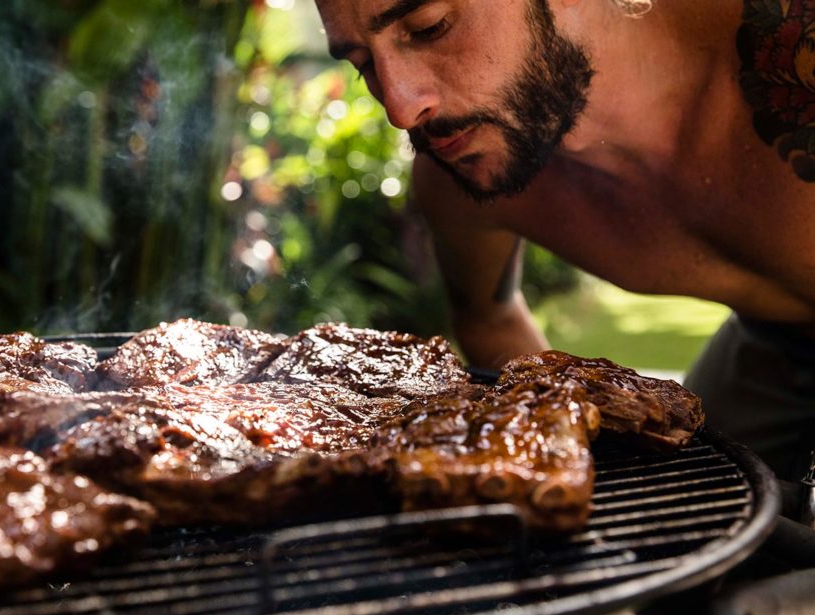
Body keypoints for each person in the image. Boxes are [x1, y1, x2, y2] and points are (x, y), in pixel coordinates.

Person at [313, 0, 815, 481]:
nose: (400, 108)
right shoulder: (460, 171)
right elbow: (490, 319)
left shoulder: (787, 39)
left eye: (429, 27)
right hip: (772, 338)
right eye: (362, 64)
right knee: (702, 516)